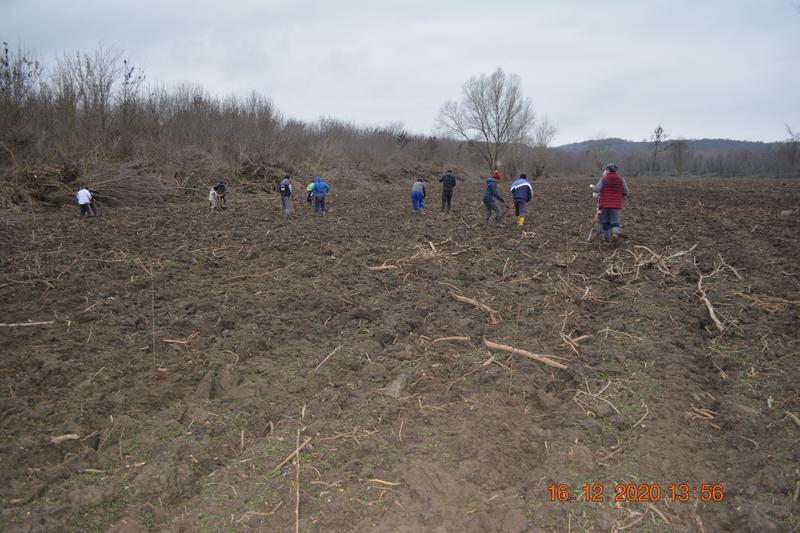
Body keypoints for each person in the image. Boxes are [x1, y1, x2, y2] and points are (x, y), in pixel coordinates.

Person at [590, 163, 630, 242]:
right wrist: (619, 195)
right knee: (615, 222)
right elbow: (626, 192)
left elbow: (597, 190)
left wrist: (592, 187)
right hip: (616, 206)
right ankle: (615, 234)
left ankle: (606, 239)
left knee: (605, 222)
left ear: (608, 170)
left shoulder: (604, 179)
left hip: (604, 205)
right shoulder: (621, 179)